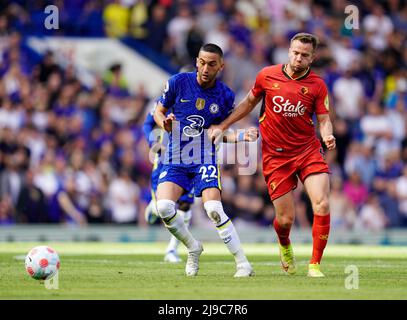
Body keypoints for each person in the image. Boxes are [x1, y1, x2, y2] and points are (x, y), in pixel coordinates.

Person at [208, 33, 336, 278]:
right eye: (296, 53)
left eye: (305, 55)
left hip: (308, 151)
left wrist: (327, 135)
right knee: (285, 219)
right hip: (276, 157)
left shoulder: (317, 85)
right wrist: (224, 126)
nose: (299, 58)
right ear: (289, 51)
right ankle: (285, 245)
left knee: (322, 202)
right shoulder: (267, 75)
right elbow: (247, 103)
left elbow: (324, 119)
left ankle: (315, 265)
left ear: (312, 57)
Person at [153, 43, 257, 277]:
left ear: (221, 66)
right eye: (201, 62)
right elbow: (158, 111)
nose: (205, 68)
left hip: (204, 157)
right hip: (176, 158)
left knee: (213, 208)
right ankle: (193, 247)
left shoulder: (225, 95)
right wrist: (164, 124)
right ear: (196, 61)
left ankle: (243, 264)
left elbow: (218, 132)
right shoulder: (178, 82)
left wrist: (241, 136)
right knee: (164, 207)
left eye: (211, 64)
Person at [143, 106, 195, 263]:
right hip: (165, 163)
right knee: (164, 207)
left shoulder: (198, 101)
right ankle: (153, 208)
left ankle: (172, 250)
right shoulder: (164, 103)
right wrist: (153, 142)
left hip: (189, 161)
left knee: (185, 206)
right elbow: (147, 123)